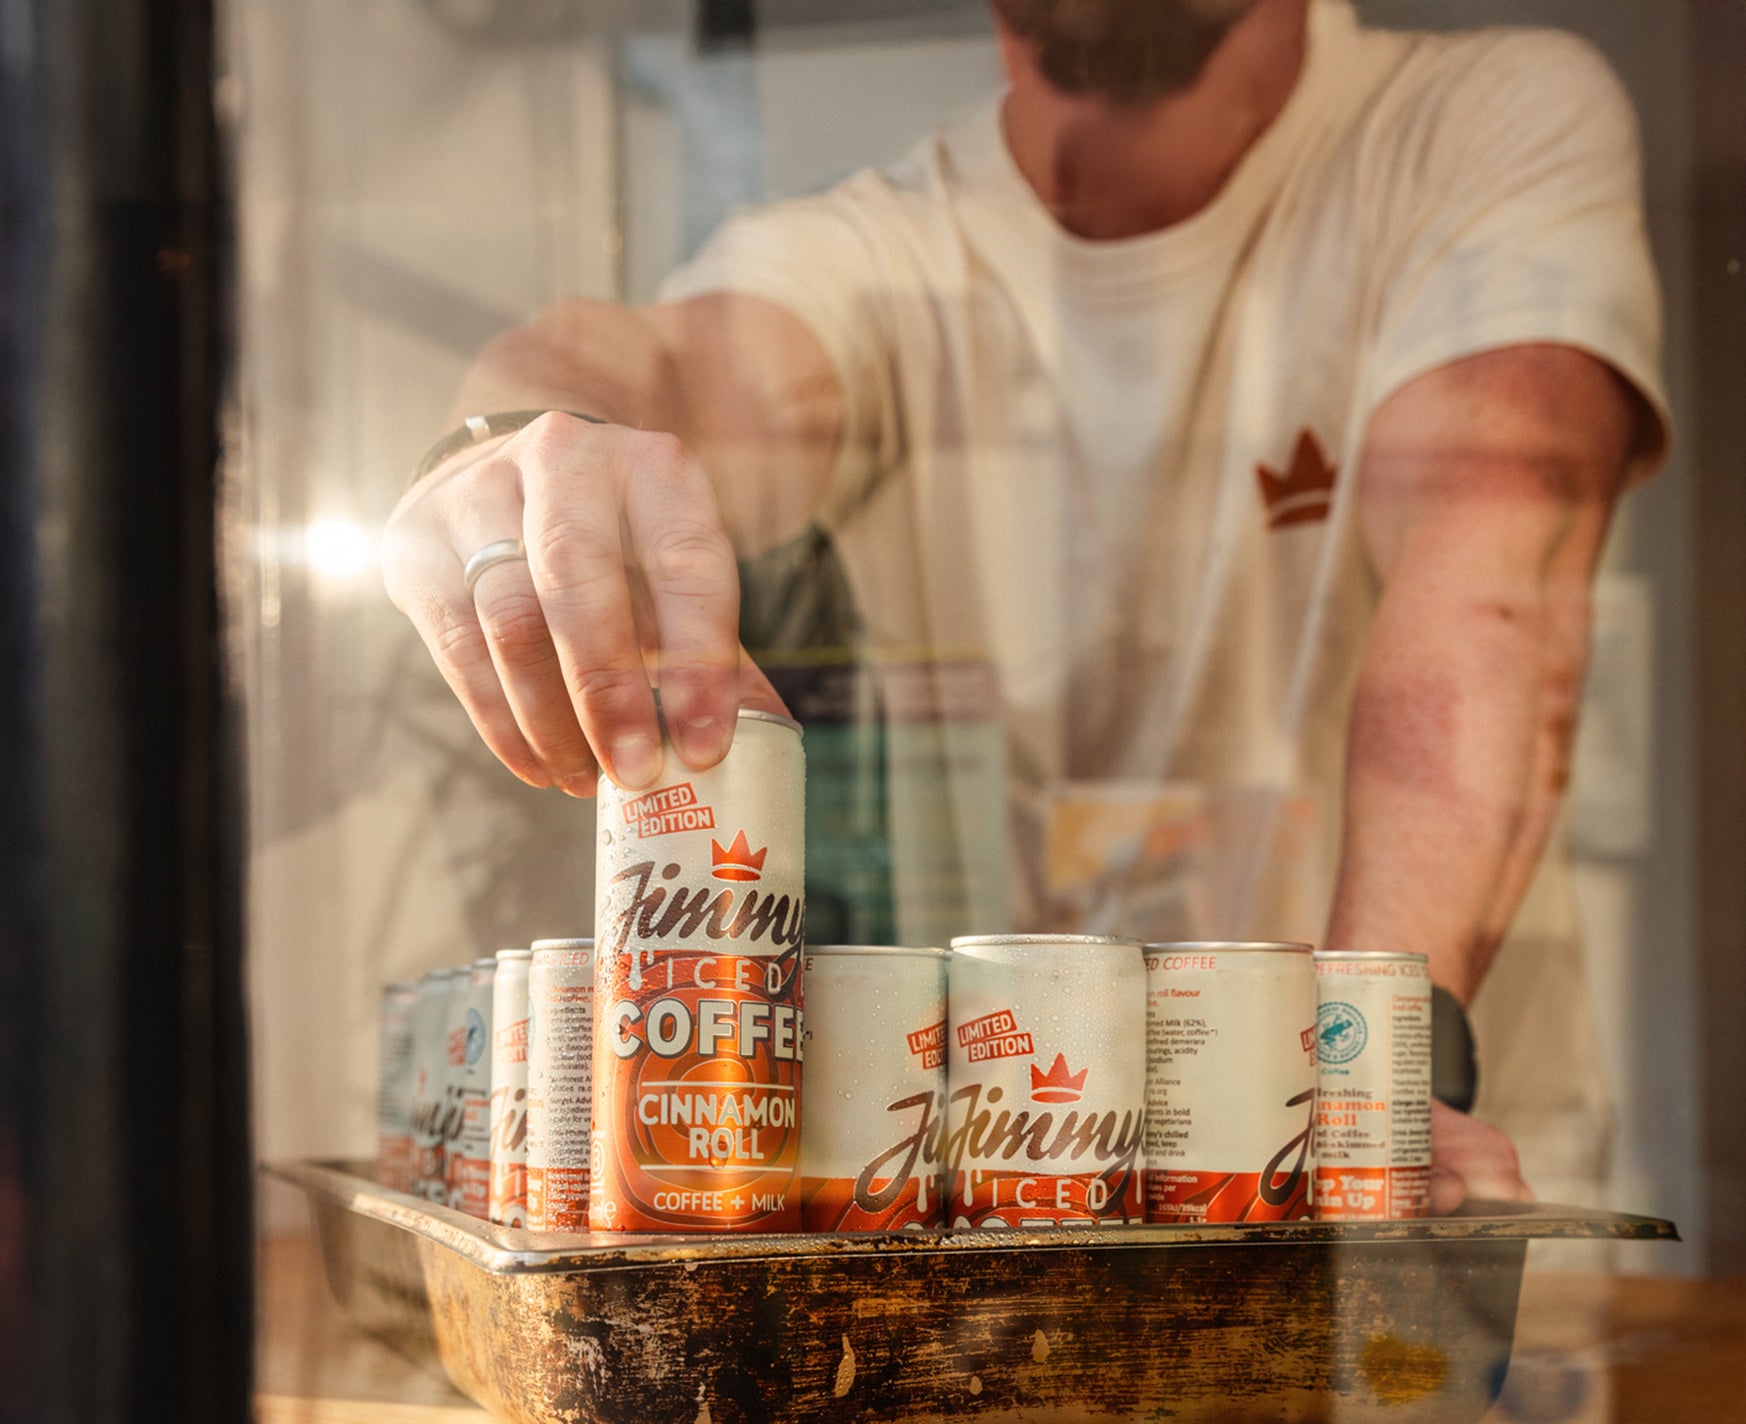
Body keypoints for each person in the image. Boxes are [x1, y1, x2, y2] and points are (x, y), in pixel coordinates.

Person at [382, 0, 1668, 1215]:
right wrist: (514, 446)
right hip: (1025, 1178)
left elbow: (1496, 563)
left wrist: (1374, 1092)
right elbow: (654, 361)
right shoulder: (885, 251)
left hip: (1438, 1161)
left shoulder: (1468, 119)